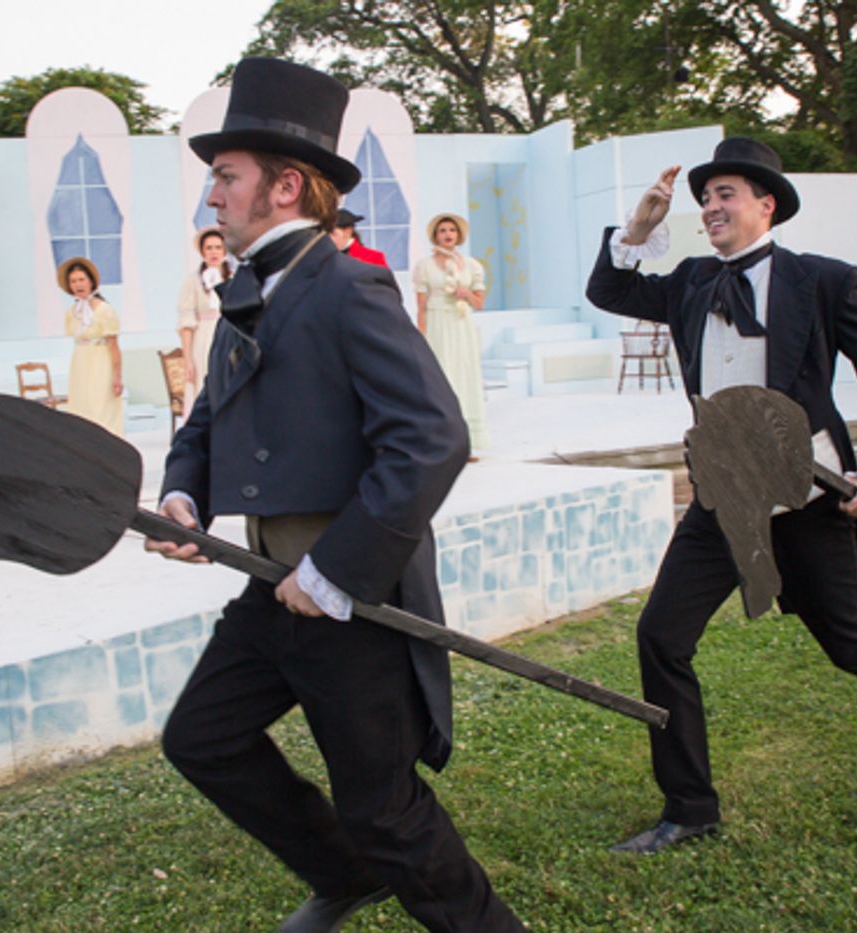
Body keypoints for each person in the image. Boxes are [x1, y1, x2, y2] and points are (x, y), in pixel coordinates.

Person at [144, 57, 524, 933]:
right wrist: (181, 496)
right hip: (266, 582)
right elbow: (204, 419)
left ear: (283, 185)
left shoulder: (349, 284)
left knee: (386, 807)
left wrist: (335, 572)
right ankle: (342, 873)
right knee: (202, 738)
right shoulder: (246, 290)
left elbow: (434, 438)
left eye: (225, 178)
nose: (211, 198)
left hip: (352, 597)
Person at [585, 137, 857, 857]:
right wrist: (638, 230)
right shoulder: (692, 281)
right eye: (704, 197)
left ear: (767, 204)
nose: (710, 207)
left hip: (809, 497)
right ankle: (691, 805)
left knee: (852, 646)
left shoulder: (823, 281)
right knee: (660, 637)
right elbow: (608, 291)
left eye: (725, 193)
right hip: (720, 501)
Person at [412, 213, 488, 455]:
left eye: (452, 231)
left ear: (459, 235)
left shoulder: (473, 266)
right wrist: (421, 336)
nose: (447, 235)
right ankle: (441, 441)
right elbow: (421, 306)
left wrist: (467, 294)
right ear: (435, 235)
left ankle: (469, 443)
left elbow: (480, 303)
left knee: (465, 376)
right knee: (440, 377)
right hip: (437, 323)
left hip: (461, 324)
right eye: (443, 230)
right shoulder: (424, 266)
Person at [58, 257, 123, 436]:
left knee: (101, 407)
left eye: (81, 279)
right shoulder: (72, 312)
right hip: (81, 362)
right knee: (81, 406)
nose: (78, 285)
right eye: (73, 281)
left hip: (101, 361)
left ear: (90, 281)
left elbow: (114, 345)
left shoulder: (104, 310)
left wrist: (117, 377)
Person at [177, 226, 232, 417]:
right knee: (205, 381)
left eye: (218, 247)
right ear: (202, 252)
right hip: (204, 337)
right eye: (209, 248)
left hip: (229, 332)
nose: (214, 252)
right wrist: (187, 359)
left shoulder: (233, 276)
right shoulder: (193, 281)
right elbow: (186, 321)